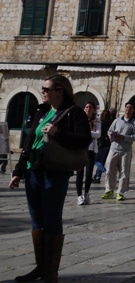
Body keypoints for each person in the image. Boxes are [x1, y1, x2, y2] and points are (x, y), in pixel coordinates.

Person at [8, 74, 91, 283]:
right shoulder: (42, 110)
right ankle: (40, 267)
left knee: (52, 219)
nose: (42, 91)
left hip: (55, 171)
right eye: (42, 88)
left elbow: (84, 140)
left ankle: (50, 273)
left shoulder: (74, 113)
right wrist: (18, 170)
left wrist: (57, 132)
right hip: (33, 170)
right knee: (37, 221)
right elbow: (29, 141)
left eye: (46, 88)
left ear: (59, 91)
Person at [101, 102, 135, 201]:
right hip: (113, 148)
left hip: (125, 150)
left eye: (130, 107)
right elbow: (110, 130)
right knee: (109, 169)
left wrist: (124, 137)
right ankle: (109, 190)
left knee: (124, 171)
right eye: (127, 107)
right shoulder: (117, 121)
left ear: (133, 110)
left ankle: (121, 192)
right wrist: (111, 136)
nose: (128, 109)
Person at [75, 101, 101, 205]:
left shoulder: (97, 121)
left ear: (94, 109)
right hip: (81, 149)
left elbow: (98, 134)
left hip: (91, 149)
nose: (88, 109)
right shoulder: (80, 120)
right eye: (86, 107)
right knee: (79, 174)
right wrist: (89, 134)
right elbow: (76, 132)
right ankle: (78, 195)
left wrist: (85, 133)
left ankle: (86, 193)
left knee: (89, 173)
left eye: (90, 107)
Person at [92, 108, 112, 183]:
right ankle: (97, 177)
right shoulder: (110, 123)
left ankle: (104, 171)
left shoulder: (101, 123)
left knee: (96, 160)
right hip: (107, 144)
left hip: (101, 144)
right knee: (102, 161)